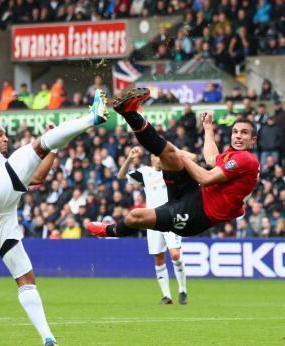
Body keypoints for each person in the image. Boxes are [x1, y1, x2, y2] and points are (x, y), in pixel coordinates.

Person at [0, 89, 109, 346]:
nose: (4, 138)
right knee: (37, 144)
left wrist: (53, 148)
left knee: (26, 280)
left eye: (5, 135)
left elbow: (39, 178)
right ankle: (92, 117)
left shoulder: (4, 163)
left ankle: (48, 340)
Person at [86, 87, 260, 239]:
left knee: (135, 216)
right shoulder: (234, 154)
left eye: (244, 133)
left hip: (197, 216)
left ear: (253, 140)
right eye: (235, 132)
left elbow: (206, 178)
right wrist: (208, 128)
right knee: (169, 153)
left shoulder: (246, 159)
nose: (237, 136)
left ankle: (109, 231)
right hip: (194, 194)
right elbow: (211, 159)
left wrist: (183, 156)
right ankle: (129, 113)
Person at [117, 146, 189, 305]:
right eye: (156, 156)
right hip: (153, 219)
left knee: (175, 255)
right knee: (158, 257)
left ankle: (182, 290)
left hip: (171, 218)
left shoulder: (172, 171)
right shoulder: (145, 172)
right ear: (152, 159)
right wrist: (129, 158)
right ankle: (167, 296)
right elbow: (121, 175)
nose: (159, 158)